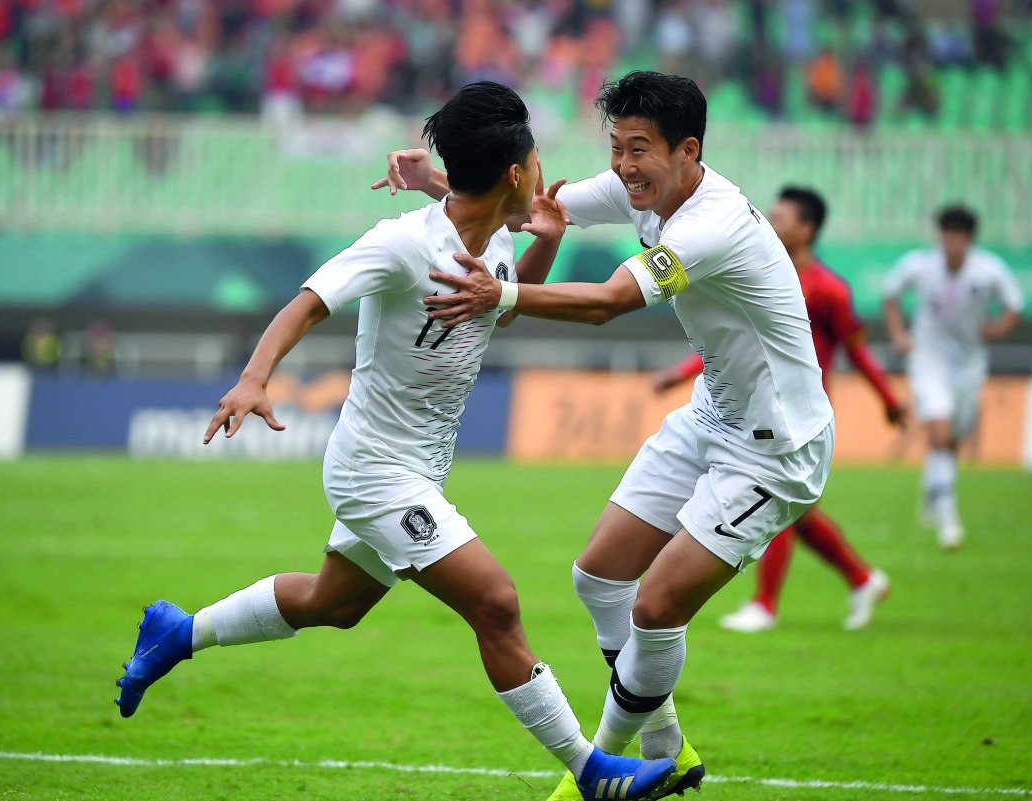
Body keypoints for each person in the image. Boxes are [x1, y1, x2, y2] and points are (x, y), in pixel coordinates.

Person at [115, 81, 676, 801]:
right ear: (516, 173)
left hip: (417, 468)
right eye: (535, 159)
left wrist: (549, 241)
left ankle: (178, 630)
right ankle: (591, 771)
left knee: (333, 602)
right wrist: (254, 378)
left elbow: (499, 314)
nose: (543, 171)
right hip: (376, 470)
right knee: (496, 602)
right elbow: (307, 301)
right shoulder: (402, 244)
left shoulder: (497, 238)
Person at [376, 71, 835, 801]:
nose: (623, 166)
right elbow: (529, 210)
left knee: (655, 609)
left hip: (775, 449)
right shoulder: (640, 190)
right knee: (598, 576)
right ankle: (667, 749)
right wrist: (435, 179)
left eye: (640, 149)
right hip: (711, 414)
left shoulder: (711, 223)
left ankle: (594, 770)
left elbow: (612, 302)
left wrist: (506, 293)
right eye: (616, 147)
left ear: (689, 150)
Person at [654, 187, 902, 633]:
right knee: (795, 514)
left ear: (806, 229)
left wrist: (888, 400)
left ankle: (766, 605)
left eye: (781, 217)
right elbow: (736, 340)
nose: (770, 221)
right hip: (752, 410)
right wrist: (681, 371)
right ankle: (863, 579)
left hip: (795, 419)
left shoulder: (828, 289)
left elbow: (858, 353)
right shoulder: (761, 271)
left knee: (769, 496)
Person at [883, 205, 1022, 549]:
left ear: (969, 239)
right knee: (941, 431)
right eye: (946, 233)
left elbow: (1015, 305)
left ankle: (934, 489)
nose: (951, 241)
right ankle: (949, 521)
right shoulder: (920, 265)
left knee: (954, 437)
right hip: (928, 362)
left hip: (970, 366)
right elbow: (891, 294)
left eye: (958, 234)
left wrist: (998, 328)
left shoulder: (988, 271)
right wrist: (900, 334)